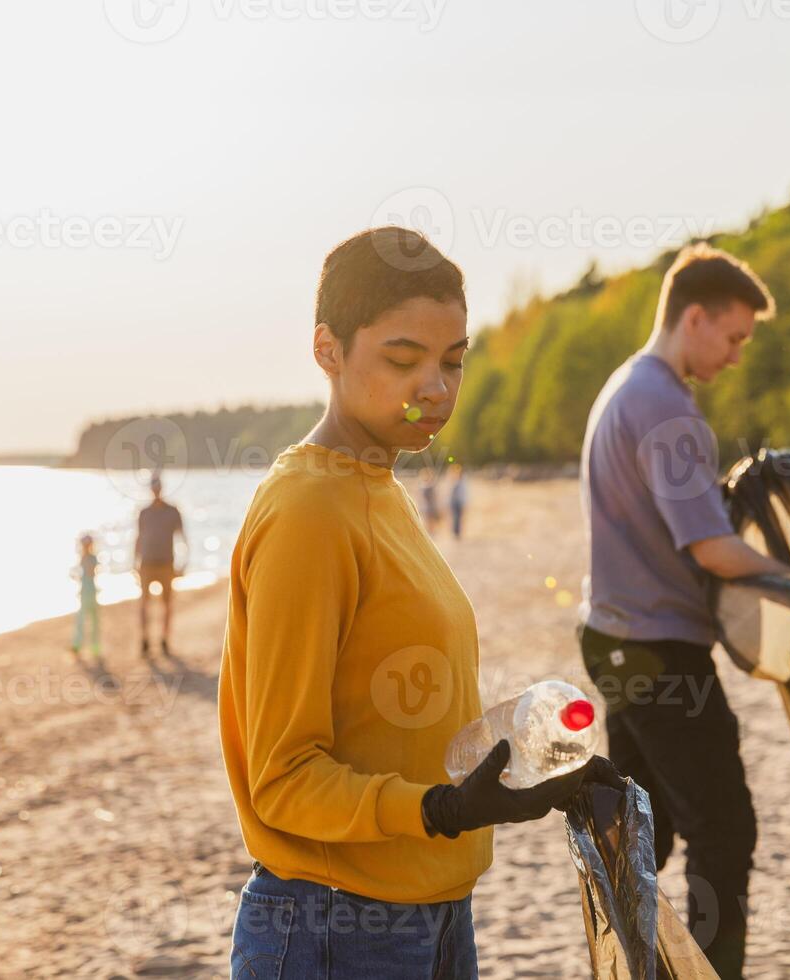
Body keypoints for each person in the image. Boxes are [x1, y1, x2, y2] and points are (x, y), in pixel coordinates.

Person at [219, 226, 620, 979]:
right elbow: (281, 777)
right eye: (403, 359)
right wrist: (438, 810)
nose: (434, 387)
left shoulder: (383, 492)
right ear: (327, 350)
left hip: (431, 911)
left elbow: (397, 712)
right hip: (332, 925)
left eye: (454, 360)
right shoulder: (309, 510)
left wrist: (520, 772)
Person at [576, 243, 790, 979]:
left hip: (613, 638)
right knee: (724, 831)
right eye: (733, 336)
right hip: (658, 651)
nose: (737, 355)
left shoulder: (626, 387)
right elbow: (711, 548)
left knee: (648, 836)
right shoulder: (663, 406)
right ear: (694, 317)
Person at [135, 475, 184, 658]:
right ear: (150, 489)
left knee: (167, 604)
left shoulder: (172, 511)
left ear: (161, 488)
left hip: (166, 564)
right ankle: (145, 639)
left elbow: (183, 537)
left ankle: (164, 639)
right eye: (153, 487)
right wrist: (134, 563)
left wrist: (183, 562)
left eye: (158, 486)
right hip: (147, 564)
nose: (156, 490)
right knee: (144, 604)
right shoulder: (144, 512)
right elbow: (138, 537)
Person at [71, 533, 101, 661]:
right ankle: (91, 645)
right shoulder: (89, 558)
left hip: (87, 592)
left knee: (84, 619)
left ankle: (81, 644)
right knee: (90, 620)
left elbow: (87, 574)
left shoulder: (87, 558)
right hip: (89, 591)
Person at [419, 464, 443, 536]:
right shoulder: (426, 486)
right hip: (428, 507)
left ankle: (431, 532)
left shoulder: (427, 485)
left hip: (430, 506)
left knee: (431, 520)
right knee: (429, 520)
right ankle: (430, 533)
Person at [448, 462, 468, 539]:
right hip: (454, 502)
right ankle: (456, 533)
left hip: (459, 502)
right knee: (455, 518)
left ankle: (457, 533)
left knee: (458, 518)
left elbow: (463, 493)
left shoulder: (462, 481)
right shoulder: (454, 480)